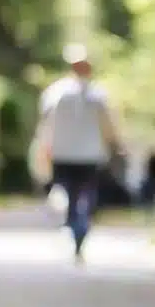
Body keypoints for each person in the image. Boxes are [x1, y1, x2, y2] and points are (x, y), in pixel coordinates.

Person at [34, 45, 124, 260]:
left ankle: (75, 225)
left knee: (72, 195)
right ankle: (79, 227)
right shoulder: (99, 96)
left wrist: (43, 149)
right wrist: (115, 147)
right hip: (88, 155)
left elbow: (45, 126)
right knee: (85, 195)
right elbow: (109, 128)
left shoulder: (55, 93)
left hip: (65, 154)